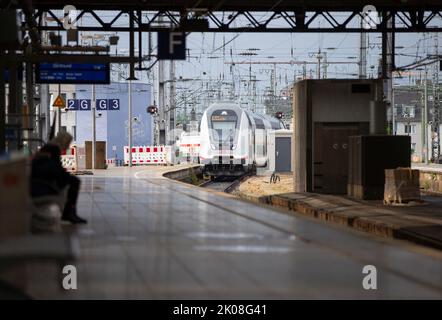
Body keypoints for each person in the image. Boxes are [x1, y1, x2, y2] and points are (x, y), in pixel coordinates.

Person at [31, 132, 87, 224]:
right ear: (64, 142)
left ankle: (68, 212)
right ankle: (69, 213)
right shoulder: (55, 149)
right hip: (44, 184)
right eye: (68, 143)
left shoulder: (47, 147)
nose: (68, 146)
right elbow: (57, 168)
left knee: (71, 181)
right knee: (74, 182)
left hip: (37, 181)